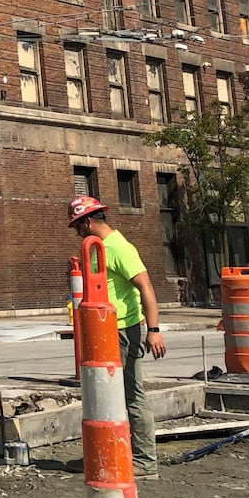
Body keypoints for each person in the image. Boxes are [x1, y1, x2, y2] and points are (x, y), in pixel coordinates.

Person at [68, 195, 167, 479]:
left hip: (125, 329)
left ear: (88, 222)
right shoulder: (99, 248)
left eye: (78, 226)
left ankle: (144, 462)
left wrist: (154, 330)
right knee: (106, 395)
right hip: (107, 329)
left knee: (132, 395)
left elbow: (146, 287)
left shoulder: (118, 248)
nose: (77, 232)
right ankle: (107, 453)